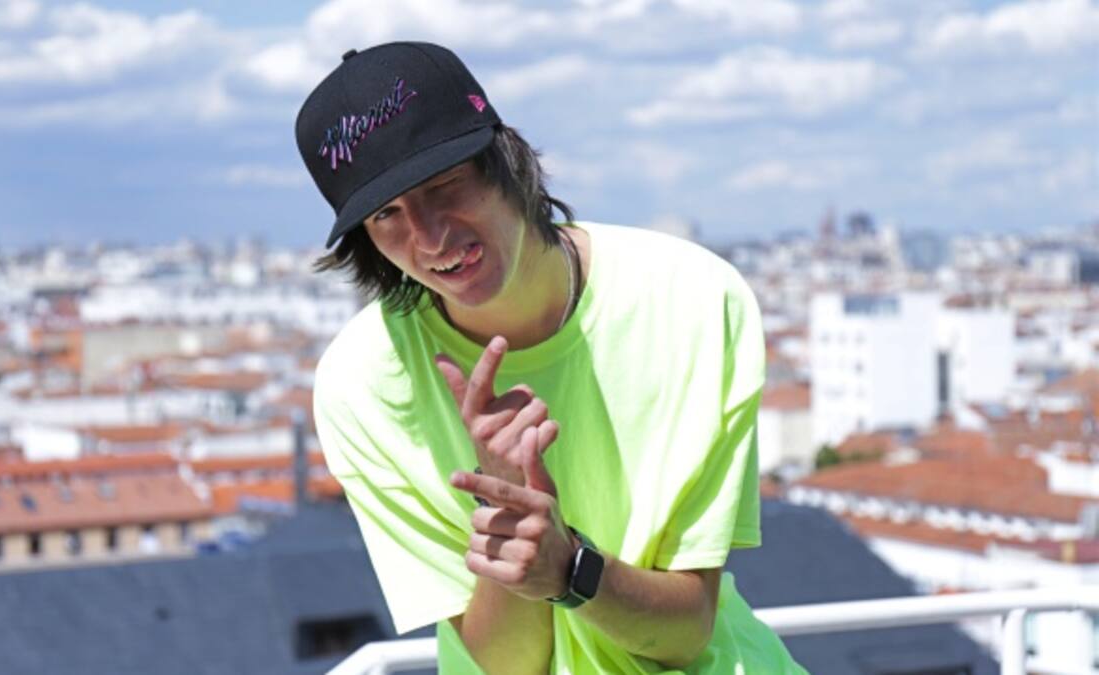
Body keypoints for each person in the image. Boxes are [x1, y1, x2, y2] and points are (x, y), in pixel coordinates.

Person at [297, 41, 806, 674]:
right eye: (387, 214)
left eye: (444, 183)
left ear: (507, 160)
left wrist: (567, 566)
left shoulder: (693, 299)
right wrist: (507, 512)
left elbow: (684, 636)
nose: (429, 237)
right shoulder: (364, 382)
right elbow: (506, 666)